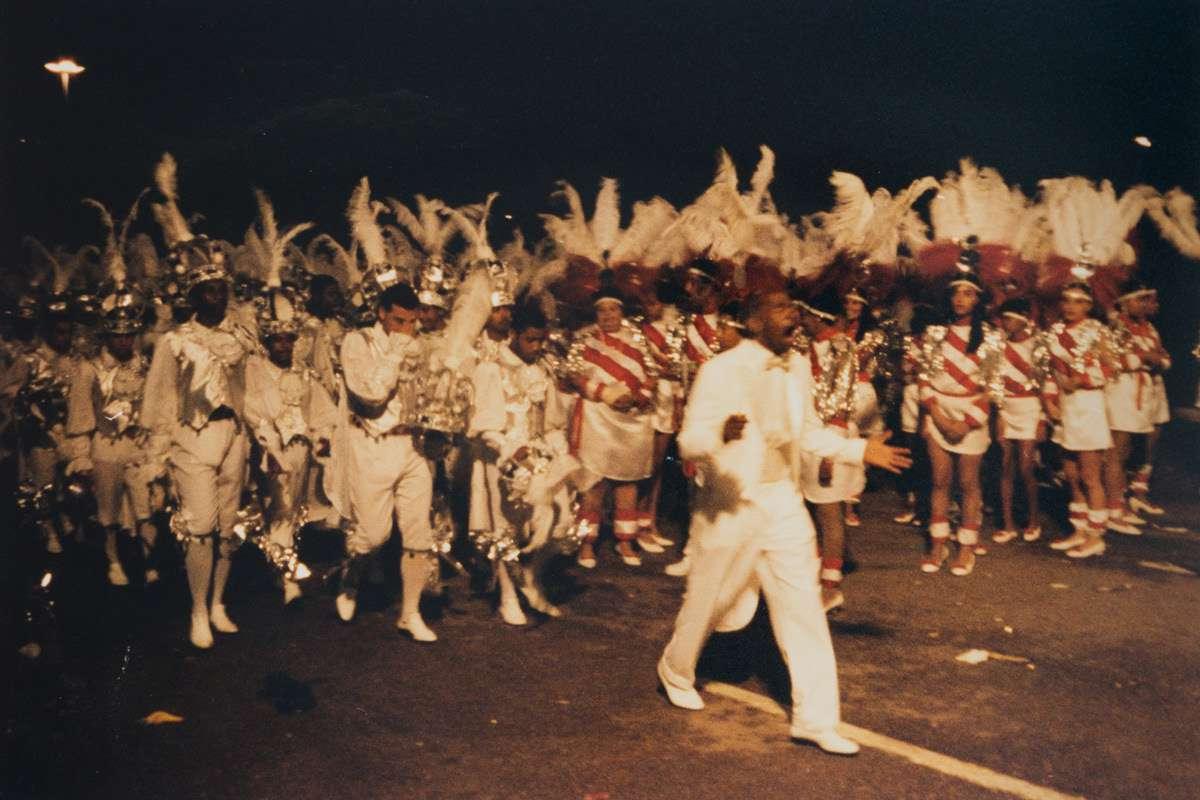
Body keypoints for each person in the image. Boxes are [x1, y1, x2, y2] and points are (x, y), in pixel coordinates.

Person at [656, 290, 910, 755]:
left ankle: (816, 720)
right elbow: (687, 441)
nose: (792, 314)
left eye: (793, 306)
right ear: (753, 321)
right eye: (778, 307)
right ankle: (675, 670)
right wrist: (718, 435)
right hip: (733, 505)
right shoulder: (720, 369)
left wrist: (858, 450)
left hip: (784, 504)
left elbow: (808, 432)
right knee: (711, 601)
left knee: (804, 609)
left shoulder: (797, 366)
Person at [142, 244, 258, 649]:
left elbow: (254, 389)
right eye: (209, 291)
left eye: (222, 290)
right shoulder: (175, 341)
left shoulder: (241, 336)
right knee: (201, 525)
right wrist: (157, 457)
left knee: (228, 524)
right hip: (193, 436)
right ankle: (197, 610)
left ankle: (217, 602)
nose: (217, 297)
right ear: (193, 297)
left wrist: (262, 436)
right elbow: (161, 400)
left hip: (234, 434)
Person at [329, 281, 438, 641]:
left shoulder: (418, 345)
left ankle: (410, 613)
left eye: (411, 322)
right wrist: (396, 350)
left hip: (412, 447)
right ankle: (351, 577)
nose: (406, 329)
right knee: (375, 535)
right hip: (372, 447)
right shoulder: (357, 342)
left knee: (418, 531)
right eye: (398, 321)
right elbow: (371, 393)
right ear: (381, 313)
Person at [467, 302, 577, 624]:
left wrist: (558, 451)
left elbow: (551, 422)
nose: (538, 347)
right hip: (502, 457)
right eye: (531, 340)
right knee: (506, 528)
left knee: (558, 520)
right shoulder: (492, 369)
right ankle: (507, 596)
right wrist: (509, 451)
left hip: (538, 454)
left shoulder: (542, 369)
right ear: (514, 335)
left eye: (541, 340)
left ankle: (530, 577)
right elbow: (483, 425)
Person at [244, 291, 338, 605]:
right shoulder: (256, 372)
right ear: (267, 343)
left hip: (301, 451)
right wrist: (270, 449)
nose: (284, 346)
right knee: (280, 509)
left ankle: (278, 566)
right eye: (277, 341)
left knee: (292, 511)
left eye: (288, 340)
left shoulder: (303, 373)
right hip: (271, 452)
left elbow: (321, 411)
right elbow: (254, 413)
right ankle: (287, 580)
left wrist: (322, 436)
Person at [64, 286, 157, 586]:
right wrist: (81, 455)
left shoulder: (144, 365)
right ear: (107, 336)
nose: (124, 341)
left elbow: (154, 404)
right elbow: (81, 413)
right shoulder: (89, 369)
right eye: (118, 335)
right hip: (105, 445)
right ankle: (114, 561)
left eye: (129, 335)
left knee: (145, 507)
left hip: (138, 443)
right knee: (109, 510)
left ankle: (149, 560)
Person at [917, 270, 1002, 576]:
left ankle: (966, 547)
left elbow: (993, 386)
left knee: (968, 483)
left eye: (968, 293)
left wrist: (966, 423)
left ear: (978, 299)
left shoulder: (991, 337)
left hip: (972, 414)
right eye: (956, 293)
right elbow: (923, 379)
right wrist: (937, 417)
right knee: (940, 480)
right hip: (938, 410)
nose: (960, 299)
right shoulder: (935, 333)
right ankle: (938, 544)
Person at [567, 279, 656, 568]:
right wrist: (605, 394)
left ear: (621, 311)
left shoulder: (638, 340)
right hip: (598, 420)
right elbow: (573, 376)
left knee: (627, 483)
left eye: (613, 309)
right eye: (602, 310)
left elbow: (651, 377)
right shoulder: (584, 340)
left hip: (632, 422)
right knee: (594, 483)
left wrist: (639, 398)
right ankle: (586, 542)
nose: (607, 316)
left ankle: (625, 540)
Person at [1045, 281, 1120, 559]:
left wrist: (1082, 379)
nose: (1070, 306)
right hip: (1065, 407)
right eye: (1066, 300)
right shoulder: (1055, 332)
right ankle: (1079, 529)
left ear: (1088, 305)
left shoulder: (1097, 331)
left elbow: (1111, 368)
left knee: (1090, 476)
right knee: (1071, 474)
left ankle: (1095, 536)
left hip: (1089, 407)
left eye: (1077, 301)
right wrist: (1050, 400)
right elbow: (1050, 370)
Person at [992, 298, 1052, 544]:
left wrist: (1042, 419)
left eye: (1010, 318)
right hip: (1006, 409)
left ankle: (1033, 520)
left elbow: (1045, 384)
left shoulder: (1037, 345)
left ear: (1024, 318)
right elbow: (994, 382)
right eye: (1003, 318)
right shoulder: (998, 346)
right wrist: (998, 414)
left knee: (1026, 468)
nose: (1005, 323)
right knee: (1005, 467)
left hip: (1030, 409)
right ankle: (1007, 524)